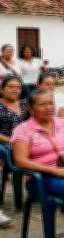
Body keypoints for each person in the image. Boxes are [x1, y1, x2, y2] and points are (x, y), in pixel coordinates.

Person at [12, 89, 64, 231]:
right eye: (42, 105)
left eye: (51, 103)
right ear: (31, 109)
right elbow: (20, 161)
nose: (48, 108)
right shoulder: (23, 130)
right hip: (42, 178)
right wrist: (55, 170)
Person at [0, 76, 25, 227]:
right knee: (17, 153)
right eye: (11, 87)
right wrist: (12, 141)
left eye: (18, 87)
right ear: (2, 90)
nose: (15, 89)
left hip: (27, 141)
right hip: (6, 142)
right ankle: (19, 202)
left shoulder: (25, 104)